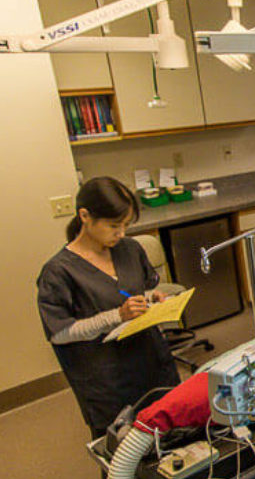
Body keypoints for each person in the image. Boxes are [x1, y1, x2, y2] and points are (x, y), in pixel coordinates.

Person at [37, 177, 180, 440]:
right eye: (114, 226)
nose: (121, 233)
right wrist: (116, 316)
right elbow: (60, 332)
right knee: (123, 459)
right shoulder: (58, 272)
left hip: (151, 362)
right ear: (85, 216)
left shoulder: (129, 249)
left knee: (173, 437)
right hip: (108, 381)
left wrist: (151, 299)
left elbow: (135, 291)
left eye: (126, 225)